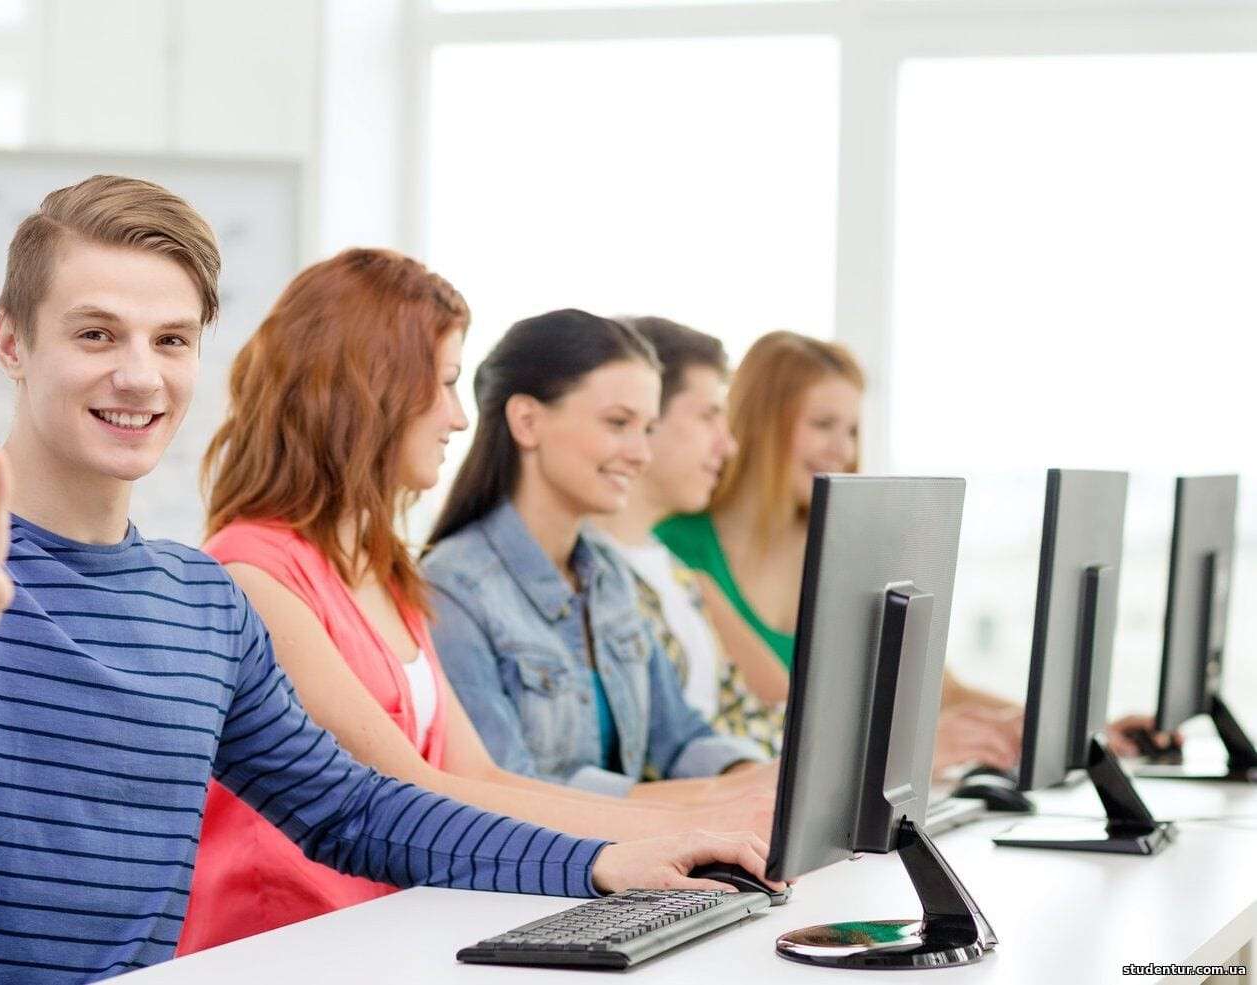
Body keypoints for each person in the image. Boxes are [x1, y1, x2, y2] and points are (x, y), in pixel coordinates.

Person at [0, 178, 773, 985]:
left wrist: (606, 859)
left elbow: (350, 808)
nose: (141, 376)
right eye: (97, 334)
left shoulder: (201, 602)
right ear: (13, 343)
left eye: (173, 340)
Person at [177, 250, 776, 954]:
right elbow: (404, 792)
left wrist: (704, 820)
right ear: (367, 391)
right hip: (290, 942)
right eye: (445, 384)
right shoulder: (251, 570)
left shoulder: (382, 568)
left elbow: (476, 775)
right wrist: (665, 828)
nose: (459, 418)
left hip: (402, 926)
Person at [655, 329, 1173, 771]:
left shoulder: (848, 550)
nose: (844, 450)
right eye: (822, 425)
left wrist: (1085, 732)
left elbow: (939, 692)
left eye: (853, 430)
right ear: (761, 424)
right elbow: (788, 711)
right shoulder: (673, 548)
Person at [422, 309, 778, 803]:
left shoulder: (609, 574)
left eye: (647, 428)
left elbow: (679, 737)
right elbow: (511, 791)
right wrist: (702, 800)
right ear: (527, 421)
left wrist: (760, 778)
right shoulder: (453, 587)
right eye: (618, 423)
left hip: (626, 865)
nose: (640, 453)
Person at [591, 317, 786, 757]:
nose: (728, 446)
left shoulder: (677, 573)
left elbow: (758, 715)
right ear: (646, 415)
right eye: (708, 416)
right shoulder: (585, 571)